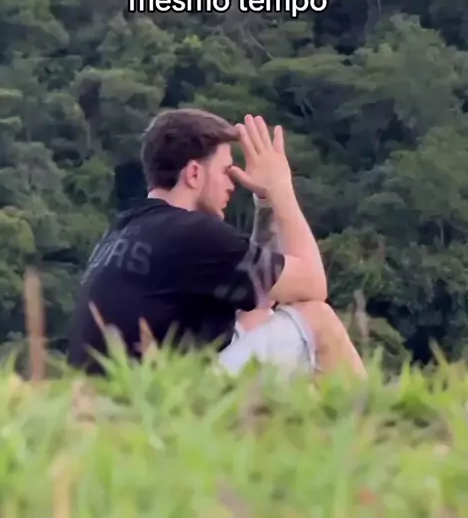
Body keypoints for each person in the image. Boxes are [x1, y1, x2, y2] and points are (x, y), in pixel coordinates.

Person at [67, 109, 366, 378]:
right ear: (194, 173)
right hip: (157, 401)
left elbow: (261, 296)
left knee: (258, 316)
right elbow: (313, 285)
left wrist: (265, 205)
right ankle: (377, 418)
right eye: (225, 171)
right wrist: (280, 189)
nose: (232, 183)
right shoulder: (193, 234)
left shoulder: (124, 230)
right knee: (318, 320)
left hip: (113, 402)